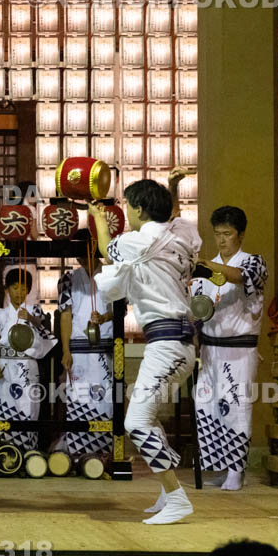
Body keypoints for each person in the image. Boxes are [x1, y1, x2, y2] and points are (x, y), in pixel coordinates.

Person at [90, 167, 201, 524]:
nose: (125, 214)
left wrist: (97, 217)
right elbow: (175, 218)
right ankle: (165, 493)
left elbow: (107, 248)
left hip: (168, 343)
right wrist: (170, 189)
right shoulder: (183, 235)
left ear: (138, 210)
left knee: (135, 422)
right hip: (177, 342)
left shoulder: (140, 241)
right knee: (148, 418)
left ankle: (178, 498)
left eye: (127, 208)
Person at [191, 206, 268, 491]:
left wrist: (207, 266)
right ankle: (221, 466)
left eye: (228, 234)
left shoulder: (253, 262)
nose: (222, 240)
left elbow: (239, 277)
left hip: (239, 350)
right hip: (210, 350)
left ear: (241, 234)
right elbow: (197, 309)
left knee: (235, 407)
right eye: (217, 234)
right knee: (206, 406)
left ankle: (236, 471)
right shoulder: (205, 268)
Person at [0, 267, 55, 450]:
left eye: (24, 288)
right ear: (7, 290)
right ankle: (2, 450)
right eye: (15, 287)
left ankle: (27, 451)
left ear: (29, 290)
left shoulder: (35, 310)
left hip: (28, 365)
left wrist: (31, 319)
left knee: (29, 407)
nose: (19, 292)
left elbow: (47, 333)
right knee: (4, 406)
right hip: (6, 366)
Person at [57, 255, 114, 458]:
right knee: (79, 398)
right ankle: (78, 453)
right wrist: (66, 350)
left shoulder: (111, 273)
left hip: (105, 344)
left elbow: (119, 309)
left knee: (105, 399)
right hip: (78, 346)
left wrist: (105, 317)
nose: (82, 258)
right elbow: (65, 315)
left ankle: (105, 453)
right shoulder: (68, 278)